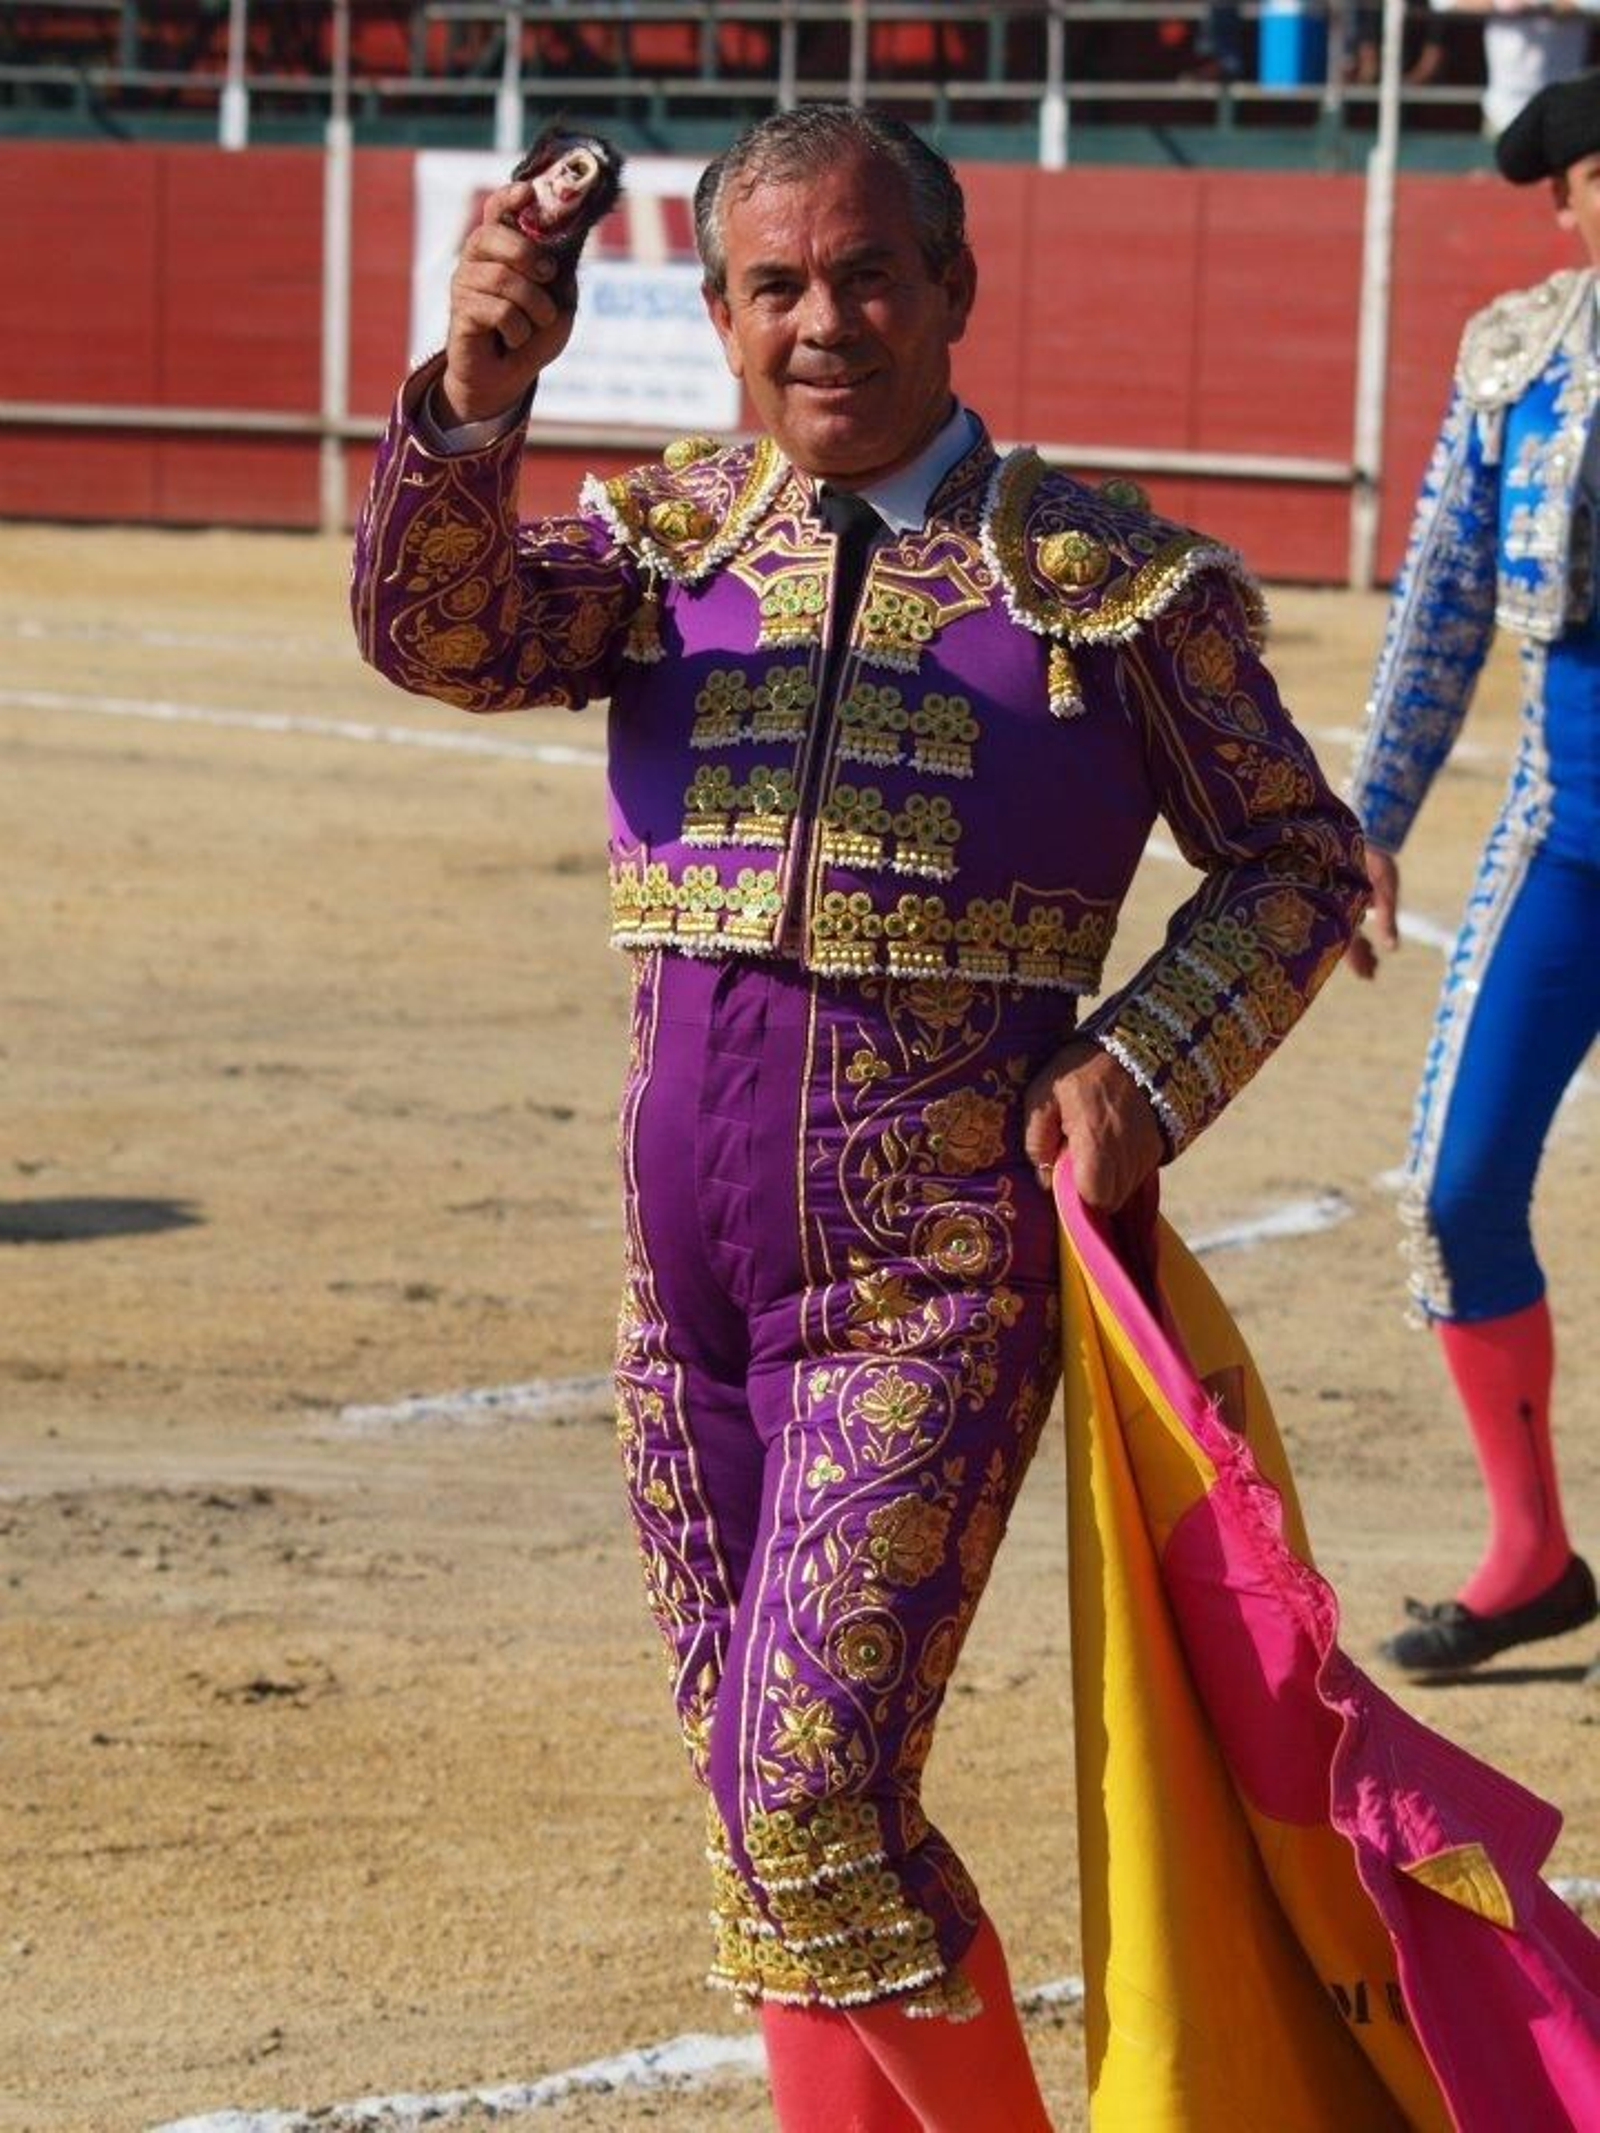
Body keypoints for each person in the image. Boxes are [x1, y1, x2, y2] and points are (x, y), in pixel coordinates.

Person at [352, 104, 1366, 2131]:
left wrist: (1137, 1063)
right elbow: (435, 631)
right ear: (720, 313)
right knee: (764, 1817)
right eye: (776, 286)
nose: (827, 322)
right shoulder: (664, 551)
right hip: (686, 1305)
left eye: (869, 274)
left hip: (925, 1282)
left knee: (805, 1795)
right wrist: (474, 395)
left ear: (955, 292)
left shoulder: (1101, 581)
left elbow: (1292, 861)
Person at [1347, 70, 1600, 1677]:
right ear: (1568, 199)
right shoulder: (1515, 358)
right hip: (1567, 832)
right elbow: (1442, 590)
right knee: (1453, 1191)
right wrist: (1367, 811)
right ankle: (1532, 1551)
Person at [1426, 0, 1600, 137]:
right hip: (1502, 112)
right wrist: (1498, 4)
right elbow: (1442, 3)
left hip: (1563, 114)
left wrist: (1543, 6)